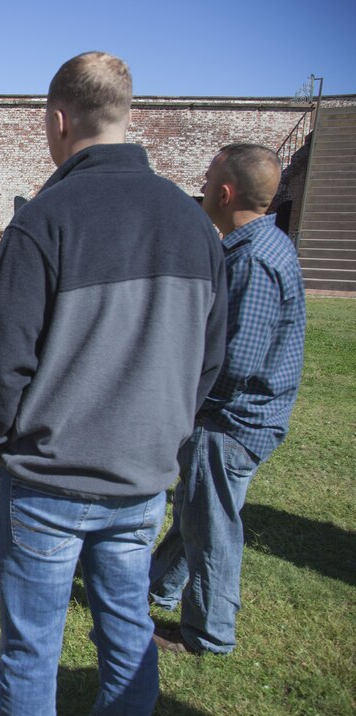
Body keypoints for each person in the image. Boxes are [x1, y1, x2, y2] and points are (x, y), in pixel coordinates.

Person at [0, 52, 227, 716]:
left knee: (30, 651)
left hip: (47, 480)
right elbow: (209, 359)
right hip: (140, 478)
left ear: (58, 120)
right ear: (125, 114)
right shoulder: (196, 225)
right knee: (128, 634)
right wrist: (167, 431)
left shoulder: (44, 219)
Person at [150, 144, 306, 655]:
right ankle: (157, 586)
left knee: (212, 528)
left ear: (224, 191)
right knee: (200, 510)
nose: (203, 183)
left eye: (210, 174)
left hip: (231, 422)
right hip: (239, 419)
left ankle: (208, 633)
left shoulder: (254, 259)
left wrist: (180, 400)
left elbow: (235, 364)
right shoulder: (259, 246)